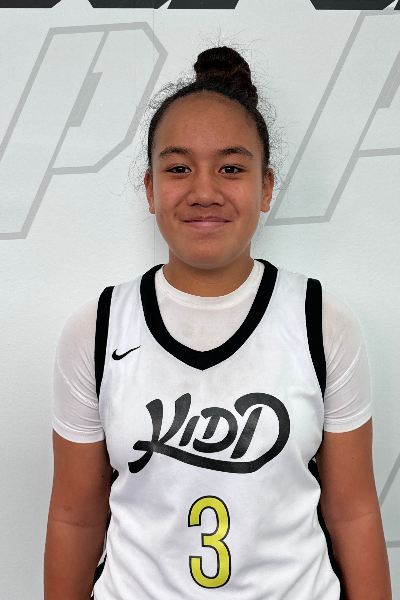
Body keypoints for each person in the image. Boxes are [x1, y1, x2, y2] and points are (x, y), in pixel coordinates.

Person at [44, 46, 392, 600]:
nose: (204, 191)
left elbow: (353, 512)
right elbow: (75, 517)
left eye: (231, 168)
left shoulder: (322, 321)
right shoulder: (97, 328)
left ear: (266, 187)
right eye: (178, 168)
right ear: (151, 188)